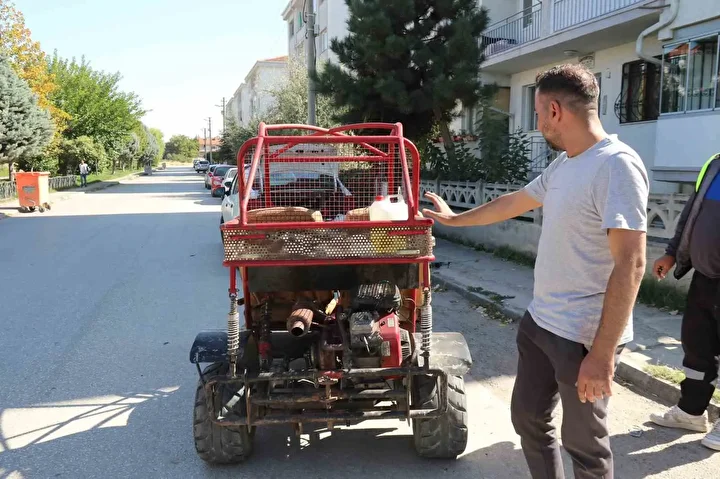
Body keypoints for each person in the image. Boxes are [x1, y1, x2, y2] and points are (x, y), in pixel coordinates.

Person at [423, 63, 648, 478]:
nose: (538, 122)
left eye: (539, 112)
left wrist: (601, 355)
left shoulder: (616, 166)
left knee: (586, 448)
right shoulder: (566, 163)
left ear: (555, 110)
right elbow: (514, 201)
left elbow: (631, 264)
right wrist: (455, 220)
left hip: (582, 337)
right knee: (528, 419)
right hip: (542, 322)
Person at [649, 153, 720, 450]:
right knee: (697, 346)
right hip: (705, 277)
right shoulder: (714, 164)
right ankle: (691, 412)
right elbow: (692, 214)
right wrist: (672, 252)